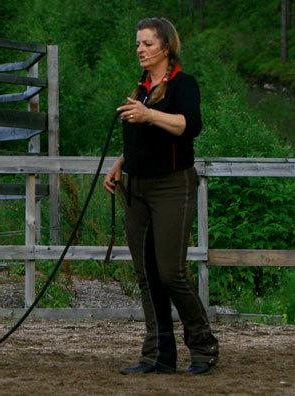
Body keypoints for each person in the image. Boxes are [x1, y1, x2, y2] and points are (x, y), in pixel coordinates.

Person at [103, 17, 219, 375]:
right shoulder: (139, 88)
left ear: (166, 47)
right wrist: (121, 162)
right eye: (138, 43)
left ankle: (203, 345)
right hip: (137, 187)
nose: (140, 49)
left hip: (172, 185)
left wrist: (149, 114)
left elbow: (189, 125)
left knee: (171, 272)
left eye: (148, 44)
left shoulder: (184, 84)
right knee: (146, 274)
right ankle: (158, 354)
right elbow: (141, 137)